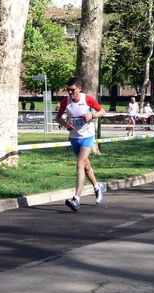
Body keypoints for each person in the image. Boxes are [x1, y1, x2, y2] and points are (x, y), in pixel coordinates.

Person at [55, 77, 106, 212]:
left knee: (80, 164)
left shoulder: (87, 99)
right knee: (86, 166)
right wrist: (66, 124)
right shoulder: (66, 101)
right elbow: (58, 118)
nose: (70, 93)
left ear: (79, 88)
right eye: (68, 90)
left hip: (87, 137)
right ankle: (97, 187)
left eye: (72, 90)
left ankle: (76, 199)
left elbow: (102, 111)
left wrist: (92, 116)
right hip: (74, 138)